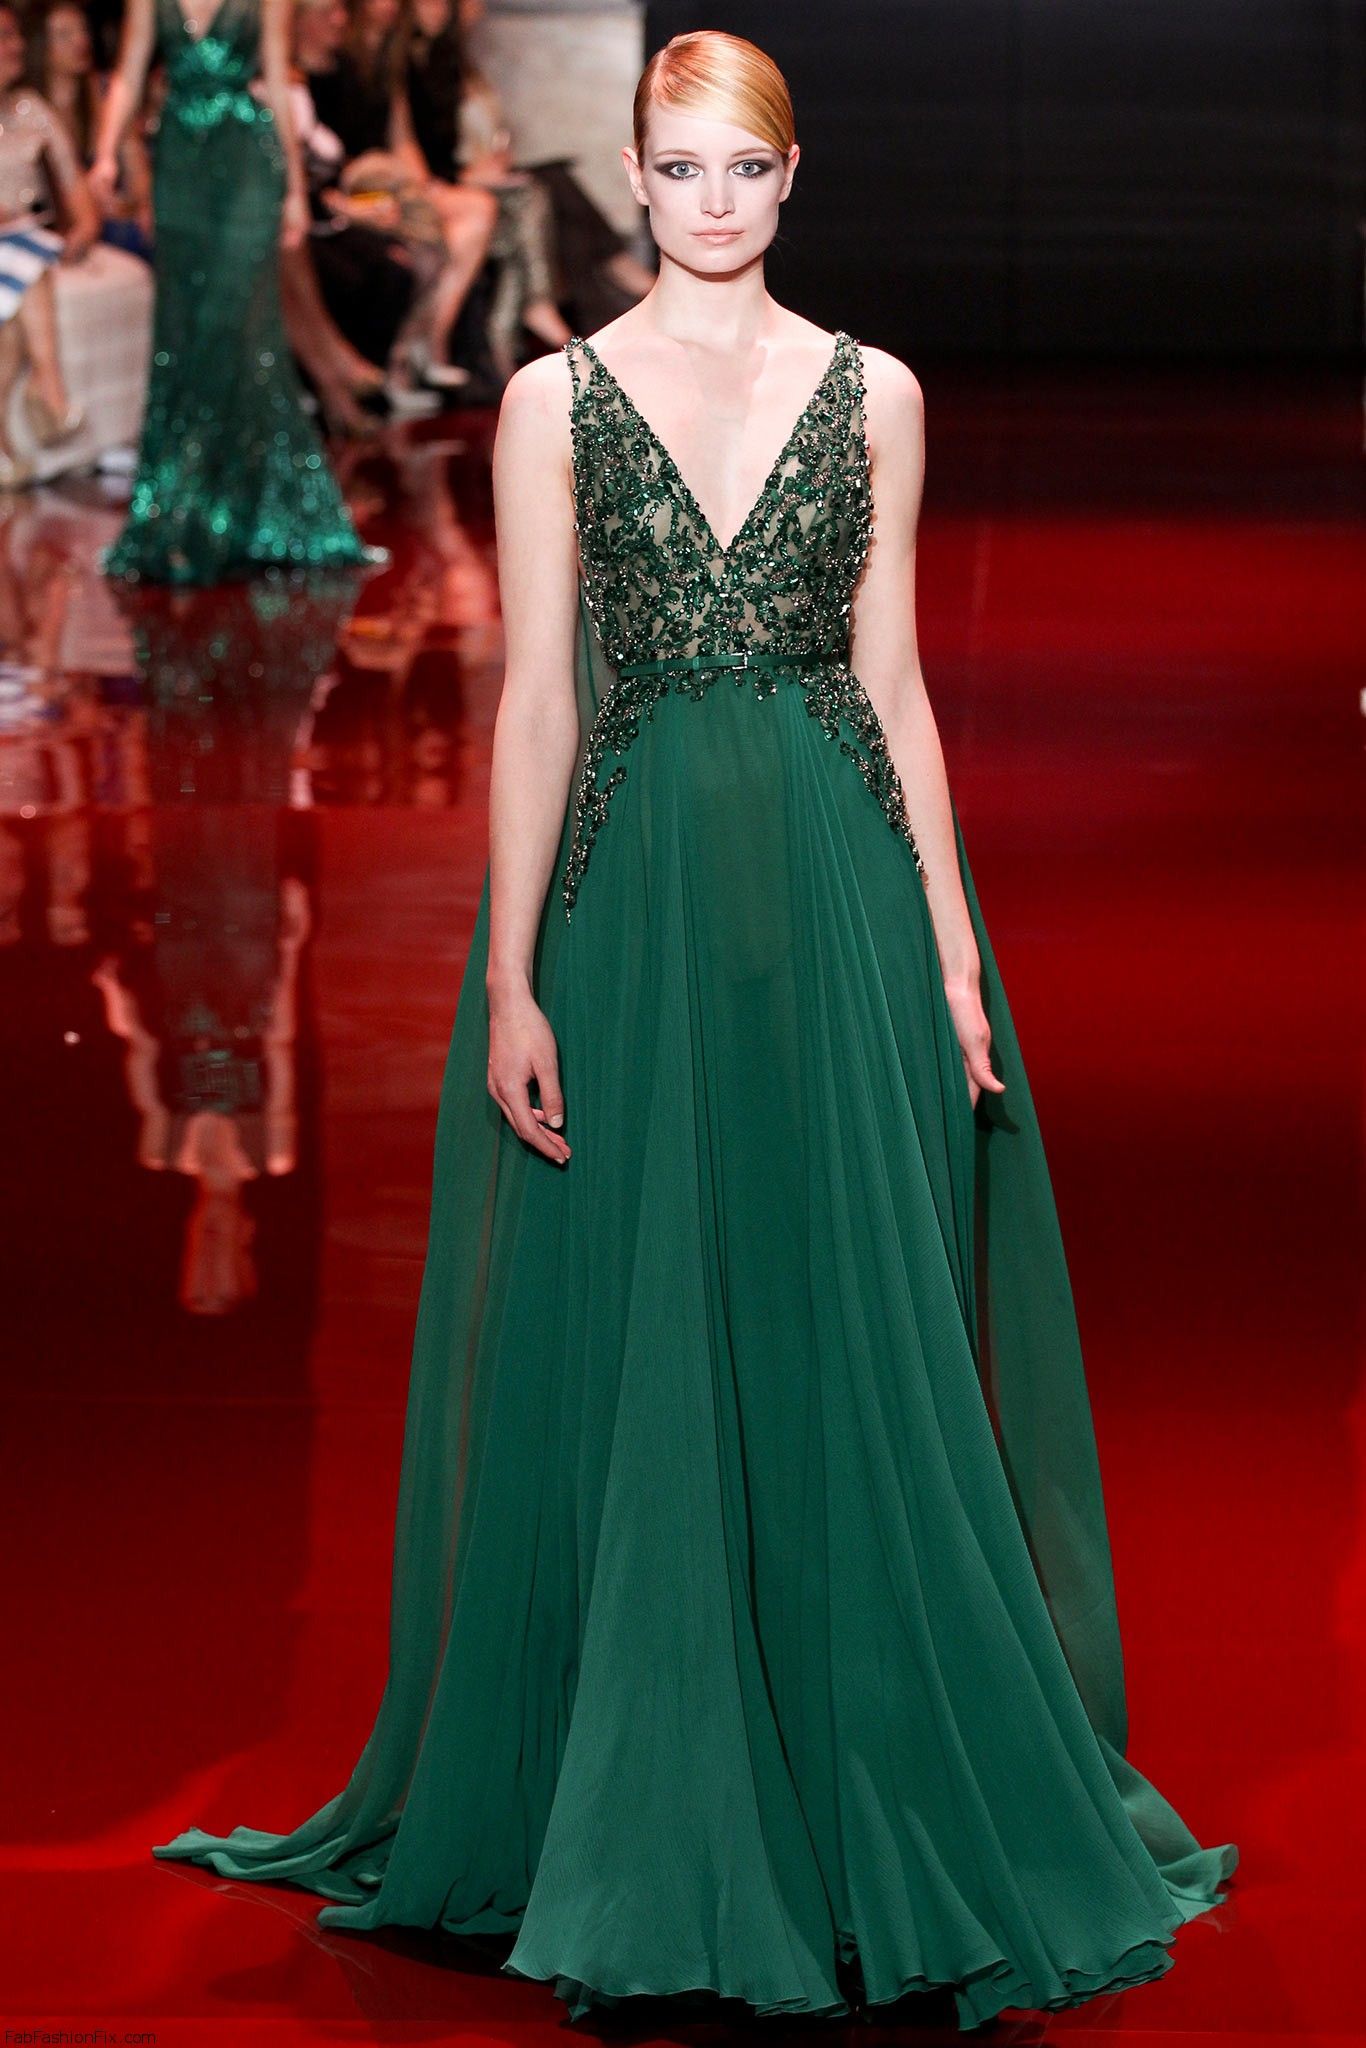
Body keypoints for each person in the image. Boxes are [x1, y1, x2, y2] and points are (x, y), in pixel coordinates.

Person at [148, 29, 1239, 2029]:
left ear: (790, 176)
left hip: (837, 896)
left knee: (846, 1322)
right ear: (637, 178)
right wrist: (508, 974)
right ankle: (653, 1815)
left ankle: (862, 1787)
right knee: (649, 1326)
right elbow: (536, 704)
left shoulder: (875, 392)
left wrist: (949, 952)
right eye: (678, 166)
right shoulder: (552, 403)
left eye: (744, 166)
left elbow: (892, 684)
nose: (711, 200)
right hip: (629, 902)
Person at [89, 0, 382, 583]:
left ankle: (228, 512)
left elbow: (275, 80)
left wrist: (293, 190)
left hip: (248, 163)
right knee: (184, 331)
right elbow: (127, 72)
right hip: (179, 164)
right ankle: (187, 511)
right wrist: (104, 154)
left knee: (234, 328)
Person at [0, 0, 99, 488]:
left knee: (24, 275)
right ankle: (51, 394)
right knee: (26, 266)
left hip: (27, 244)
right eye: (3, 37)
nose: (16, 46)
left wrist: (82, 232)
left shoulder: (32, 110)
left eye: (16, 35)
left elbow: (76, 191)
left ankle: (8, 439)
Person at [27, 0, 155, 261]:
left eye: (83, 30)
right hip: (57, 229)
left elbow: (138, 177)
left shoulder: (109, 95)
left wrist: (129, 205)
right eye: (64, 34)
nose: (80, 41)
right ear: (39, 46)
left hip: (114, 221)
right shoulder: (28, 109)